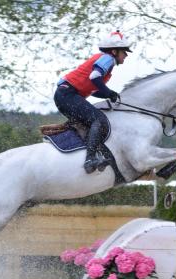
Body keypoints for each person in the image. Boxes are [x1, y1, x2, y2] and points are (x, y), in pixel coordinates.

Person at [54, 30, 132, 174]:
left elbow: (93, 90)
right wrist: (108, 92)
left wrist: (110, 95)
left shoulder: (106, 62)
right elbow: (95, 77)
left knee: (92, 122)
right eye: (124, 52)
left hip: (65, 95)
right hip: (67, 95)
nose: (126, 55)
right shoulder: (107, 58)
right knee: (99, 120)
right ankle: (90, 159)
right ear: (114, 51)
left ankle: (96, 155)